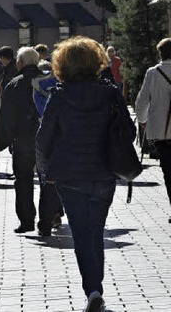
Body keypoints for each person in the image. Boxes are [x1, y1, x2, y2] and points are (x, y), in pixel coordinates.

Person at [37, 36, 129, 312]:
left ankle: (92, 289)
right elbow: (129, 131)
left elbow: (43, 139)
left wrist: (44, 171)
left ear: (62, 65)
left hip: (70, 175)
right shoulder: (111, 93)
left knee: (82, 234)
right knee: (95, 231)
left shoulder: (59, 96)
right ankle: (95, 289)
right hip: (103, 171)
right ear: (96, 62)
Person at [0, 48, 55, 235]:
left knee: (23, 180)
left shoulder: (14, 84)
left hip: (22, 140)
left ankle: (26, 220)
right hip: (47, 138)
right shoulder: (48, 81)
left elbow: (5, 115)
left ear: (20, 63)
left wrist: (6, 139)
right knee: (48, 180)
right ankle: (46, 222)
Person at [135, 37, 171, 224]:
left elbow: (142, 102)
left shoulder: (153, 73)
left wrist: (142, 122)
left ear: (160, 54)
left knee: (168, 170)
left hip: (161, 131)